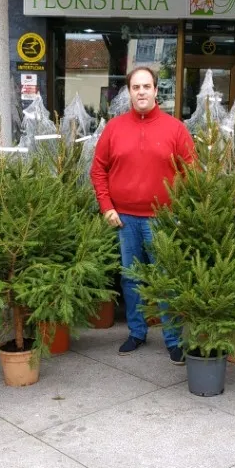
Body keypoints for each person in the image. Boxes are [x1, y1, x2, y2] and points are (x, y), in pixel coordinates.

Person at [90, 66, 195, 365]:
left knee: (166, 279)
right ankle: (136, 332)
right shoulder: (114, 128)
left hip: (163, 218)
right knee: (131, 280)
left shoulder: (175, 128)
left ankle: (173, 338)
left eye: (146, 86)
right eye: (136, 87)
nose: (141, 92)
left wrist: (180, 210)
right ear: (129, 92)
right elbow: (98, 170)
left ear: (155, 89)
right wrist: (107, 206)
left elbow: (192, 172)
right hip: (125, 219)